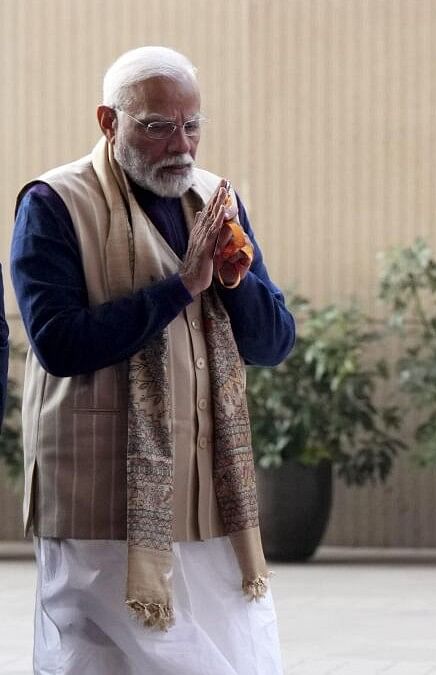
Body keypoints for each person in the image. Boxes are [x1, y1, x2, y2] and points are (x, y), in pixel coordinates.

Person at [10, 45, 294, 674]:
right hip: (98, 503)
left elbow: (273, 343)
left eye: (192, 125)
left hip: (208, 497)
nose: (181, 145)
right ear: (108, 122)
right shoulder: (54, 203)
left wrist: (234, 281)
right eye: (158, 126)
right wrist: (181, 287)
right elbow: (58, 343)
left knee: (235, 656)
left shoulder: (216, 200)